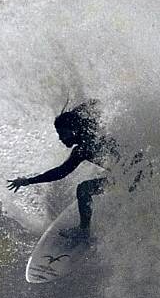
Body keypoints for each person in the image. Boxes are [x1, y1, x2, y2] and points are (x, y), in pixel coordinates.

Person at [7, 100, 119, 240]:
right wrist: (29, 181)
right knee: (87, 187)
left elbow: (61, 172)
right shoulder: (83, 147)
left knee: (84, 189)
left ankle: (84, 231)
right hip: (128, 176)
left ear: (74, 130)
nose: (60, 139)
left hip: (132, 176)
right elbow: (61, 172)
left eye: (63, 134)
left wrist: (29, 181)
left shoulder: (89, 144)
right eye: (59, 134)